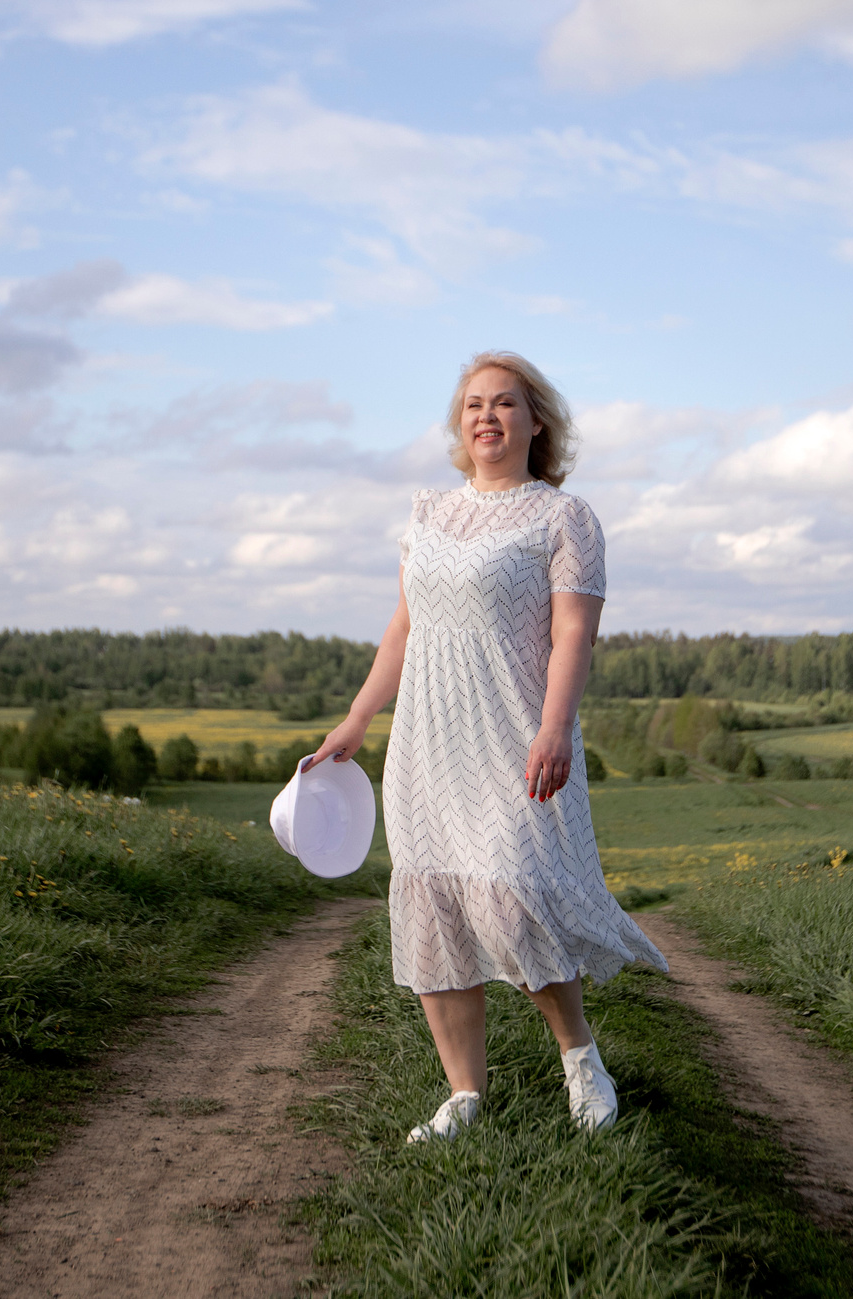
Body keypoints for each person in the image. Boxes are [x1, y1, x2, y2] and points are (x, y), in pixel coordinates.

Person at [301, 350, 669, 1142]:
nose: (486, 416)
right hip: (427, 743)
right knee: (433, 900)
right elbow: (404, 628)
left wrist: (553, 726)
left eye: (505, 403)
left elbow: (574, 631)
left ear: (538, 422)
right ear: (459, 423)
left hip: (515, 737)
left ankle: (581, 1060)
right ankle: (464, 1094)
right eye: (473, 404)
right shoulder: (428, 512)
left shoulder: (563, 519)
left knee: (510, 892)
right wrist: (357, 718)